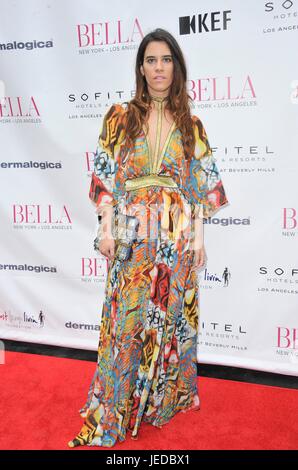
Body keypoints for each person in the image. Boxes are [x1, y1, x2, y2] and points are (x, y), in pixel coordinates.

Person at [68, 28, 229, 448]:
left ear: (177, 67)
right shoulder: (120, 115)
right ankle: (118, 406)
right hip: (131, 227)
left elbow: (201, 189)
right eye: (151, 60)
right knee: (126, 320)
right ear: (141, 67)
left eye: (166, 60)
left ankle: (158, 401)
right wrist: (105, 229)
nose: (159, 68)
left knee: (168, 316)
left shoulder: (192, 124)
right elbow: (105, 176)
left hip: (175, 232)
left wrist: (198, 239)